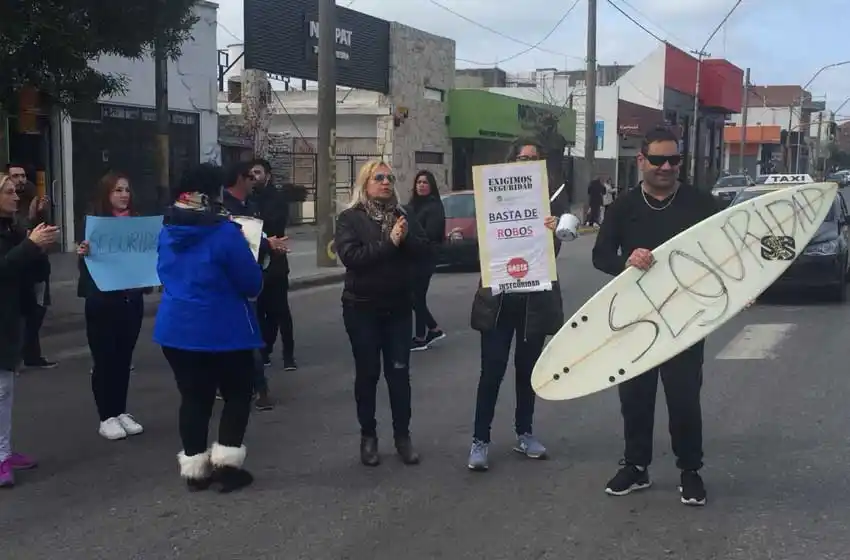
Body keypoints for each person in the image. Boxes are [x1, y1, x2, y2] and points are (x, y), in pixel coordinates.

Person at [591, 126, 719, 507]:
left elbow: (726, 251)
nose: (666, 167)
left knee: (683, 399)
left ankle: (690, 470)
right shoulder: (624, 207)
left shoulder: (700, 203)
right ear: (641, 160)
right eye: (659, 160)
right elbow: (600, 256)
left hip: (685, 317)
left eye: (674, 160)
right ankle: (636, 466)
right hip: (634, 317)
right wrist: (626, 263)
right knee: (635, 397)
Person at [153, 163, 264, 493]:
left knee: (194, 398)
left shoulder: (167, 230)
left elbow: (164, 275)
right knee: (237, 393)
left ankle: (195, 471)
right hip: (223, 329)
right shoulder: (225, 233)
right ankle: (227, 467)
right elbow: (251, 282)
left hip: (176, 329)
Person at [467, 138, 565, 472]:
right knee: (491, 374)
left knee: (527, 374)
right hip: (497, 302)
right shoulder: (493, 197)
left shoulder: (549, 202)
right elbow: (484, 246)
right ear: (512, 161)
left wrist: (553, 231)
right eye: (523, 157)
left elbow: (553, 254)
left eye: (534, 158)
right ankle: (480, 441)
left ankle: (525, 433)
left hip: (533, 304)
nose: (528, 162)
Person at [334, 159, 430, 467]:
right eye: (379, 177)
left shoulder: (404, 214)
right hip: (362, 308)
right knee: (368, 374)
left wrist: (406, 239)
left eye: (390, 177)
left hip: (399, 308)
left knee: (399, 374)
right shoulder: (350, 218)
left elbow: (424, 251)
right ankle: (368, 437)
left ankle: (403, 436)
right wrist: (389, 242)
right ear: (365, 183)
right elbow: (353, 258)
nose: (386, 183)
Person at [76, 173, 148, 441]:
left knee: (123, 359)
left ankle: (120, 411)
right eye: (118, 190)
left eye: (127, 190)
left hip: (131, 299)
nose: (124, 195)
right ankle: (106, 415)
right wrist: (84, 253)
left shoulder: (137, 222)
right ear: (106, 194)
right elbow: (86, 267)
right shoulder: (95, 225)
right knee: (105, 359)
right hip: (103, 301)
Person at [0, 172, 59, 487]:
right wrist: (29, 246)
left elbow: (30, 268)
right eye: (8, 192)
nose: (15, 196)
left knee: (6, 390)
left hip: (11, 317)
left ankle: (4, 451)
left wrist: (38, 245)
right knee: (0, 390)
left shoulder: (14, 228)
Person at [222, 161, 288, 411]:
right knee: (244, 335)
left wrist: (267, 243)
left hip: (250, 275)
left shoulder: (250, 204)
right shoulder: (223, 208)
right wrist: (266, 244)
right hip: (229, 282)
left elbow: (255, 236)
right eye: (250, 177)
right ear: (241, 179)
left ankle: (254, 387)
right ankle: (254, 387)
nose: (254, 182)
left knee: (251, 332)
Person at [250, 158, 303, 371]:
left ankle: (288, 354)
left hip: (276, 259)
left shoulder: (276, 198)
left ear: (267, 175)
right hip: (256, 259)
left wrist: (256, 223)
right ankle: (265, 350)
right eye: (251, 173)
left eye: (257, 172)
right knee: (261, 308)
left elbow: (274, 224)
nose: (253, 176)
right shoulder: (249, 198)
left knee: (280, 310)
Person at [6, 164, 56, 369]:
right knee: (23, 313)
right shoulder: (8, 207)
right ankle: (21, 355)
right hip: (20, 267)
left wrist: (42, 214)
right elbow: (20, 235)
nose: (20, 180)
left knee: (37, 310)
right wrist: (31, 220)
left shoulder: (33, 195)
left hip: (38, 266)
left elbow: (43, 229)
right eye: (15, 176)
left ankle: (32, 354)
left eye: (23, 175)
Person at [407, 170, 447, 352]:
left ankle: (423, 336)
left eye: (425, 182)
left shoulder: (434, 207)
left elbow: (431, 234)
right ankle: (431, 330)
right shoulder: (412, 205)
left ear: (431, 186)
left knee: (416, 298)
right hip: (412, 257)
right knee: (415, 298)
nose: (421, 185)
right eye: (419, 182)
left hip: (425, 258)